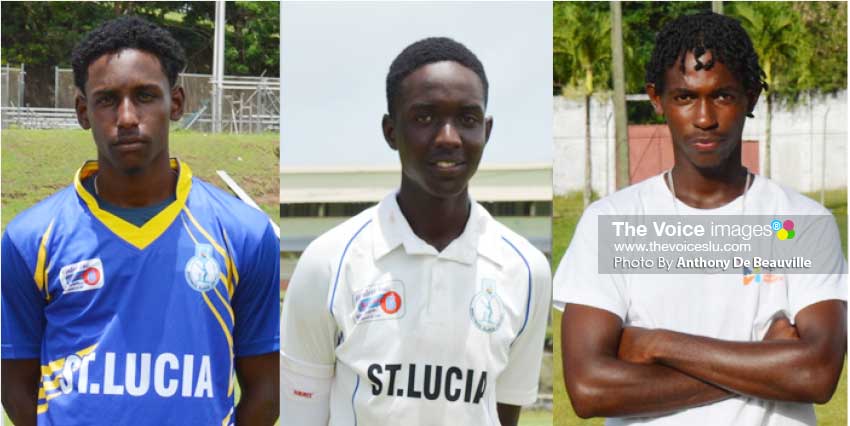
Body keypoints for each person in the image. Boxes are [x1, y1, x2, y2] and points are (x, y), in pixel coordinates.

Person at [554, 11, 847, 426]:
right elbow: (589, 388)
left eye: (723, 96)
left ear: (752, 97)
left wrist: (659, 344)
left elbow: (816, 375)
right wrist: (763, 361)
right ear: (657, 99)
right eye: (685, 97)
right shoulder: (613, 223)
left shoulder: (801, 224)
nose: (705, 118)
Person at [1, 16, 279, 426]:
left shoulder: (244, 234)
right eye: (107, 99)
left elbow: (267, 389)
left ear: (177, 103)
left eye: (145, 96)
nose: (127, 116)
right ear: (83, 111)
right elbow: (15, 384)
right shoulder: (30, 238)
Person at [280, 37, 551, 426]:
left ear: (486, 131)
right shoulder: (329, 263)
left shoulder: (525, 269)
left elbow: (504, 413)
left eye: (468, 119)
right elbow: (300, 418)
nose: (448, 137)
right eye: (425, 118)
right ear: (391, 131)